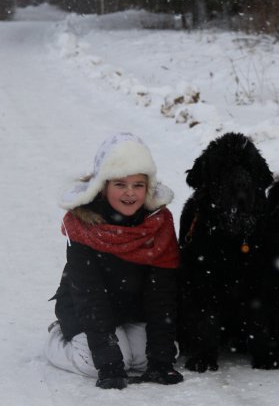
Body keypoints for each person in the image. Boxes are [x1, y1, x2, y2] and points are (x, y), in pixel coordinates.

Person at [45, 133, 183, 389]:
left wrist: (161, 360)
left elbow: (162, 292)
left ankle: (126, 346)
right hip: (85, 307)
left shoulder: (159, 224)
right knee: (91, 362)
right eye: (120, 184)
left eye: (138, 185)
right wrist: (108, 363)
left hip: (132, 308)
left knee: (144, 360)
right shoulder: (83, 226)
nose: (130, 193)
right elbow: (89, 296)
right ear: (103, 186)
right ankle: (57, 336)